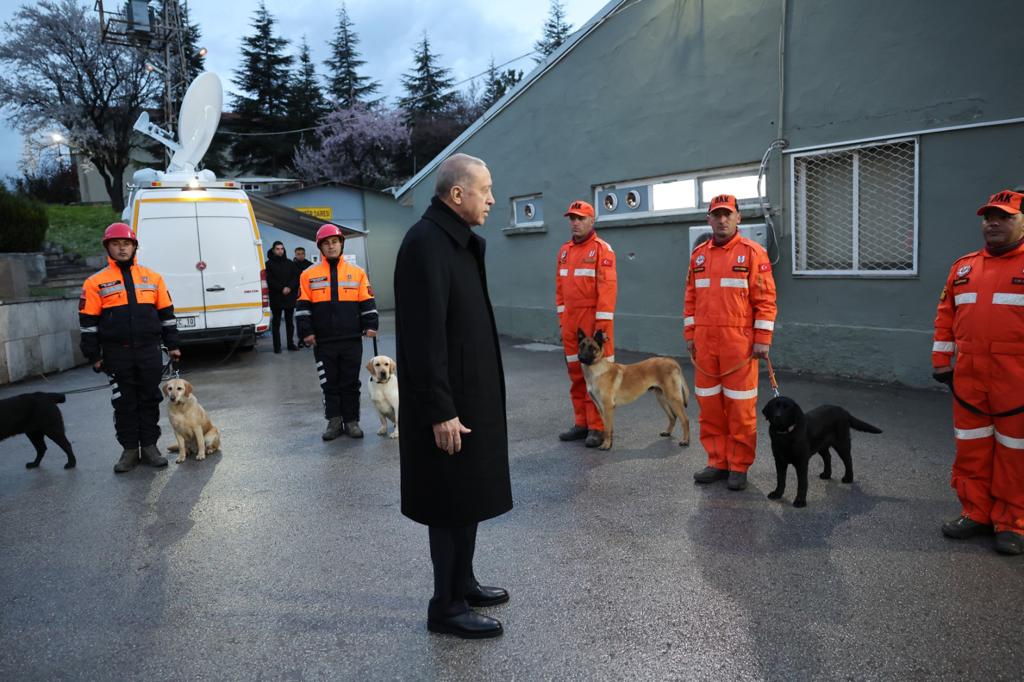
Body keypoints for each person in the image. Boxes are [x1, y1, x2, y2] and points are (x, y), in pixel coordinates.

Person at [394, 153, 512, 639]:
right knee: (448, 503)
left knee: (468, 496)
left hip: (469, 396)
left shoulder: (456, 241)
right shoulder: (426, 243)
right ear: (457, 194)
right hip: (448, 405)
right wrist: (440, 409)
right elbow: (423, 339)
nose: (492, 199)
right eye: (485, 190)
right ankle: (445, 606)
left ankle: (462, 582)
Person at [933, 189, 1024, 555]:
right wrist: (941, 361)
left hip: (1016, 379)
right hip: (970, 377)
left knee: (1015, 452)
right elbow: (946, 317)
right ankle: (976, 512)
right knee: (972, 448)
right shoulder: (964, 267)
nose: (993, 223)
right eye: (989, 217)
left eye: (1004, 217)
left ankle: (1013, 522)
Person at [683, 194, 777, 491]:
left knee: (740, 407)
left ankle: (738, 465)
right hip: (705, 343)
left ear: (739, 218)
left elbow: (765, 300)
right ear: (709, 219)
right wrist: (690, 334)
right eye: (717, 215)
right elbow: (690, 299)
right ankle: (717, 461)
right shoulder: (699, 255)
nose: (722, 220)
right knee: (709, 405)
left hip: (739, 343)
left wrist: (762, 339)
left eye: (728, 214)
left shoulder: (753, 253)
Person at [79, 222, 181, 473]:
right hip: (117, 354)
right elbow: (88, 324)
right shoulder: (95, 282)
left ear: (134, 247)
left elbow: (167, 316)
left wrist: (173, 345)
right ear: (108, 247)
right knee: (124, 403)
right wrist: (94, 355)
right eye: (116, 244)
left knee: (149, 399)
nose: (122, 248)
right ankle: (129, 451)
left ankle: (149, 447)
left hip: (148, 351)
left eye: (126, 244)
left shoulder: (153, 278)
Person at [296, 225, 378, 440]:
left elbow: (367, 301)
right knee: (329, 383)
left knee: (350, 382)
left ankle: (351, 422)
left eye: (335, 242)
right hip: (323, 342)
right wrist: (306, 332)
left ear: (342, 244)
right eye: (326, 243)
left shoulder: (357, 273)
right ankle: (334, 422)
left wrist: (371, 325)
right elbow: (302, 307)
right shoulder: (308, 275)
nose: (331, 246)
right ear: (320, 247)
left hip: (351, 340)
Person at [555, 200, 617, 447]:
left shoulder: (602, 250)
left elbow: (607, 291)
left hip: (593, 323)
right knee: (576, 374)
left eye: (580, 218)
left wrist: (601, 328)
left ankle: (598, 428)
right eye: (572, 218)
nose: (575, 223)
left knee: (598, 378)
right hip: (572, 325)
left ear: (592, 220)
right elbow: (560, 292)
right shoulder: (564, 251)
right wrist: (563, 322)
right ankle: (581, 423)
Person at [265, 241, 299, 353]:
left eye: (282, 249)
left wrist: (289, 287)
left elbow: (296, 277)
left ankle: (290, 344)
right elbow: (269, 279)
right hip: (276, 297)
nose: (280, 251)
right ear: (273, 250)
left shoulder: (290, 263)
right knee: (276, 323)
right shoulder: (268, 264)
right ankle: (277, 347)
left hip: (289, 296)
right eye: (277, 249)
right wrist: (281, 288)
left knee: (290, 322)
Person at [293, 247, 315, 348]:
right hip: (297, 295)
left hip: (310, 294)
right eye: (298, 254)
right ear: (295, 255)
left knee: (311, 317)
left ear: (305, 254)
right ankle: (301, 339)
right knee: (300, 317)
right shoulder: (292, 266)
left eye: (302, 253)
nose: (300, 255)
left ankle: (310, 336)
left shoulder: (310, 266)